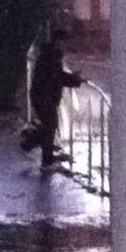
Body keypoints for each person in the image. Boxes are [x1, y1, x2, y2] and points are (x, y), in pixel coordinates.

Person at [26, 28, 83, 168]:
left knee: (49, 126)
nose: (66, 46)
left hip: (43, 96)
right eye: (64, 42)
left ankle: (43, 154)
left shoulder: (50, 54)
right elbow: (57, 77)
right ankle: (34, 147)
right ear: (58, 42)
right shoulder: (52, 56)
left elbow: (56, 76)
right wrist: (75, 80)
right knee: (50, 126)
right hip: (45, 97)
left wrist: (73, 79)